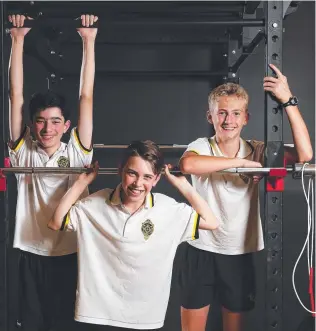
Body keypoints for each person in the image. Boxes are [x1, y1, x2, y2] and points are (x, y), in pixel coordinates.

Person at [178, 64, 313, 331]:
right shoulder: (201, 147)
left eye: (235, 114)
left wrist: (288, 101)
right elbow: (188, 166)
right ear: (210, 117)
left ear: (246, 118)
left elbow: (305, 155)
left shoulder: (259, 150)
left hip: (239, 252)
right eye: (222, 113)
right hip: (199, 249)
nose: (228, 120)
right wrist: (243, 164)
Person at [47, 140, 219, 330]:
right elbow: (56, 222)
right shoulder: (95, 203)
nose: (138, 183)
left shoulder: (168, 209)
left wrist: (183, 185)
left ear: (156, 180)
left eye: (147, 177)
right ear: (121, 170)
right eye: (132, 173)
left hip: (145, 319)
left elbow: (212, 222)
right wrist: (82, 183)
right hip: (97, 315)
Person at [8, 14, 97, 331]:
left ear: (67, 126)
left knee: (66, 324)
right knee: (31, 324)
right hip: (31, 252)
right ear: (33, 124)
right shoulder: (23, 150)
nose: (48, 128)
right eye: (41, 121)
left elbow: (86, 96)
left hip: (71, 250)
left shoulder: (76, 150)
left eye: (56, 121)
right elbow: (15, 95)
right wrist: (17, 39)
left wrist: (89, 40)